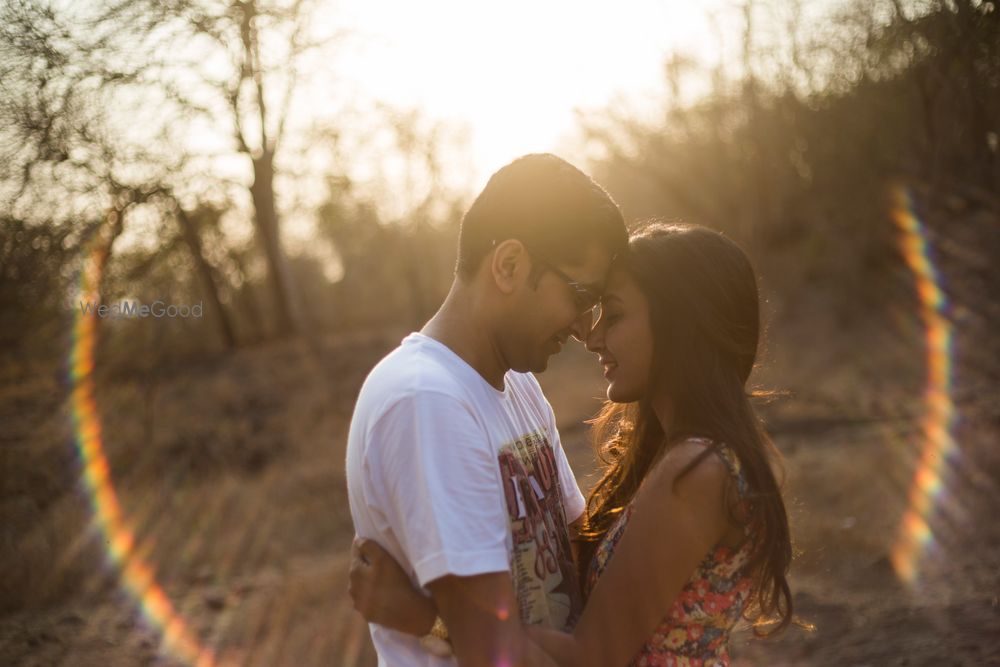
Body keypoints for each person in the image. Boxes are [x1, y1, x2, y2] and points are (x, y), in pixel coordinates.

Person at [350, 222, 795, 666]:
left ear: (679, 326)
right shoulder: (684, 458)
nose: (593, 335)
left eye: (614, 315)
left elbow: (587, 660)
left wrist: (427, 617)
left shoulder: (696, 471)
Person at [345, 153, 628, 666]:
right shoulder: (426, 403)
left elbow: (575, 561)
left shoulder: (517, 384)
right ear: (510, 265)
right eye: (581, 296)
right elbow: (493, 656)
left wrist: (424, 617)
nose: (588, 329)